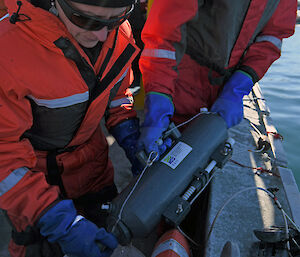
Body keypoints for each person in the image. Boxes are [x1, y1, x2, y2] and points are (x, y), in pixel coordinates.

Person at [0, 0, 142, 255]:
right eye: (86, 20)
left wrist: (129, 132)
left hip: (96, 174)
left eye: (117, 18)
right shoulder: (6, 51)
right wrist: (52, 217)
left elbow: (118, 94)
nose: (102, 34)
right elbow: (3, 157)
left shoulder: (118, 31)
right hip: (34, 192)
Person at [138, 0, 297, 159]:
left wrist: (239, 86)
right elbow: (164, 32)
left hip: (222, 87)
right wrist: (158, 95)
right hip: (179, 80)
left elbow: (272, 37)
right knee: (153, 158)